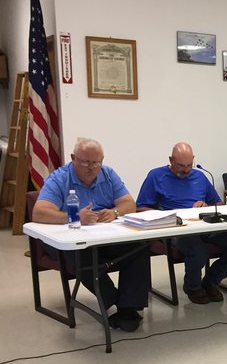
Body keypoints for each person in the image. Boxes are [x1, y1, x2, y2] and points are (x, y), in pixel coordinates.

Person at [32, 138, 150, 332]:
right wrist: (75, 217)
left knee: (139, 246)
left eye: (96, 162)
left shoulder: (108, 174)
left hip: (102, 236)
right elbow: (39, 212)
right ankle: (114, 300)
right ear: (73, 158)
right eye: (85, 162)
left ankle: (128, 308)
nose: (91, 167)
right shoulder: (59, 178)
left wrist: (115, 212)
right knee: (83, 253)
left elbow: (129, 203)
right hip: (66, 242)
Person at [136, 142, 227, 305]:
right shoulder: (156, 176)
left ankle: (212, 280)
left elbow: (219, 204)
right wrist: (168, 215)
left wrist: (207, 206)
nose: (186, 170)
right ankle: (192, 286)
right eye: (181, 166)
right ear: (170, 160)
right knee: (197, 249)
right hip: (178, 230)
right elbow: (141, 208)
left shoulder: (199, 176)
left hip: (205, 226)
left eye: (189, 165)